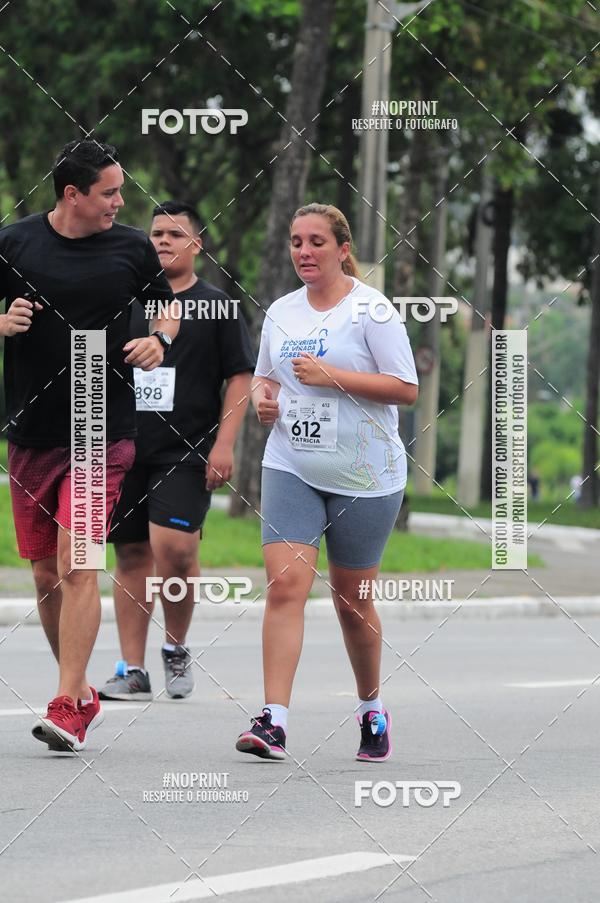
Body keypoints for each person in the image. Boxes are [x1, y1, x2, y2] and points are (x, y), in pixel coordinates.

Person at [0, 140, 179, 752]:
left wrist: (158, 340)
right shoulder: (14, 243)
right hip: (31, 432)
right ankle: (77, 693)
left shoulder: (131, 247)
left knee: (78, 564)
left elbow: (167, 309)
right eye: (109, 192)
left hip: (101, 429)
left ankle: (64, 704)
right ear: (72, 194)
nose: (120, 202)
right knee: (45, 575)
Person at [235, 203, 418, 762]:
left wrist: (331, 375)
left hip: (365, 474)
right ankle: (273, 720)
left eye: (316, 241)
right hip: (292, 464)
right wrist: (263, 401)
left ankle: (371, 709)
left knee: (352, 604)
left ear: (343, 249)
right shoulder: (282, 312)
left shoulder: (371, 311)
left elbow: (406, 388)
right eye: (296, 242)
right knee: (285, 585)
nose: (304, 251)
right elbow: (263, 378)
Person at [98, 201, 254, 701]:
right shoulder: (126, 301)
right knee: (131, 552)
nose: (163, 241)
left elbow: (240, 376)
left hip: (186, 450)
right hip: (123, 443)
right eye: (156, 233)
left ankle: (176, 646)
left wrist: (225, 445)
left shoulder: (218, 306)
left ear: (197, 244)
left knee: (177, 553)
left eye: (175, 234)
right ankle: (133, 669)